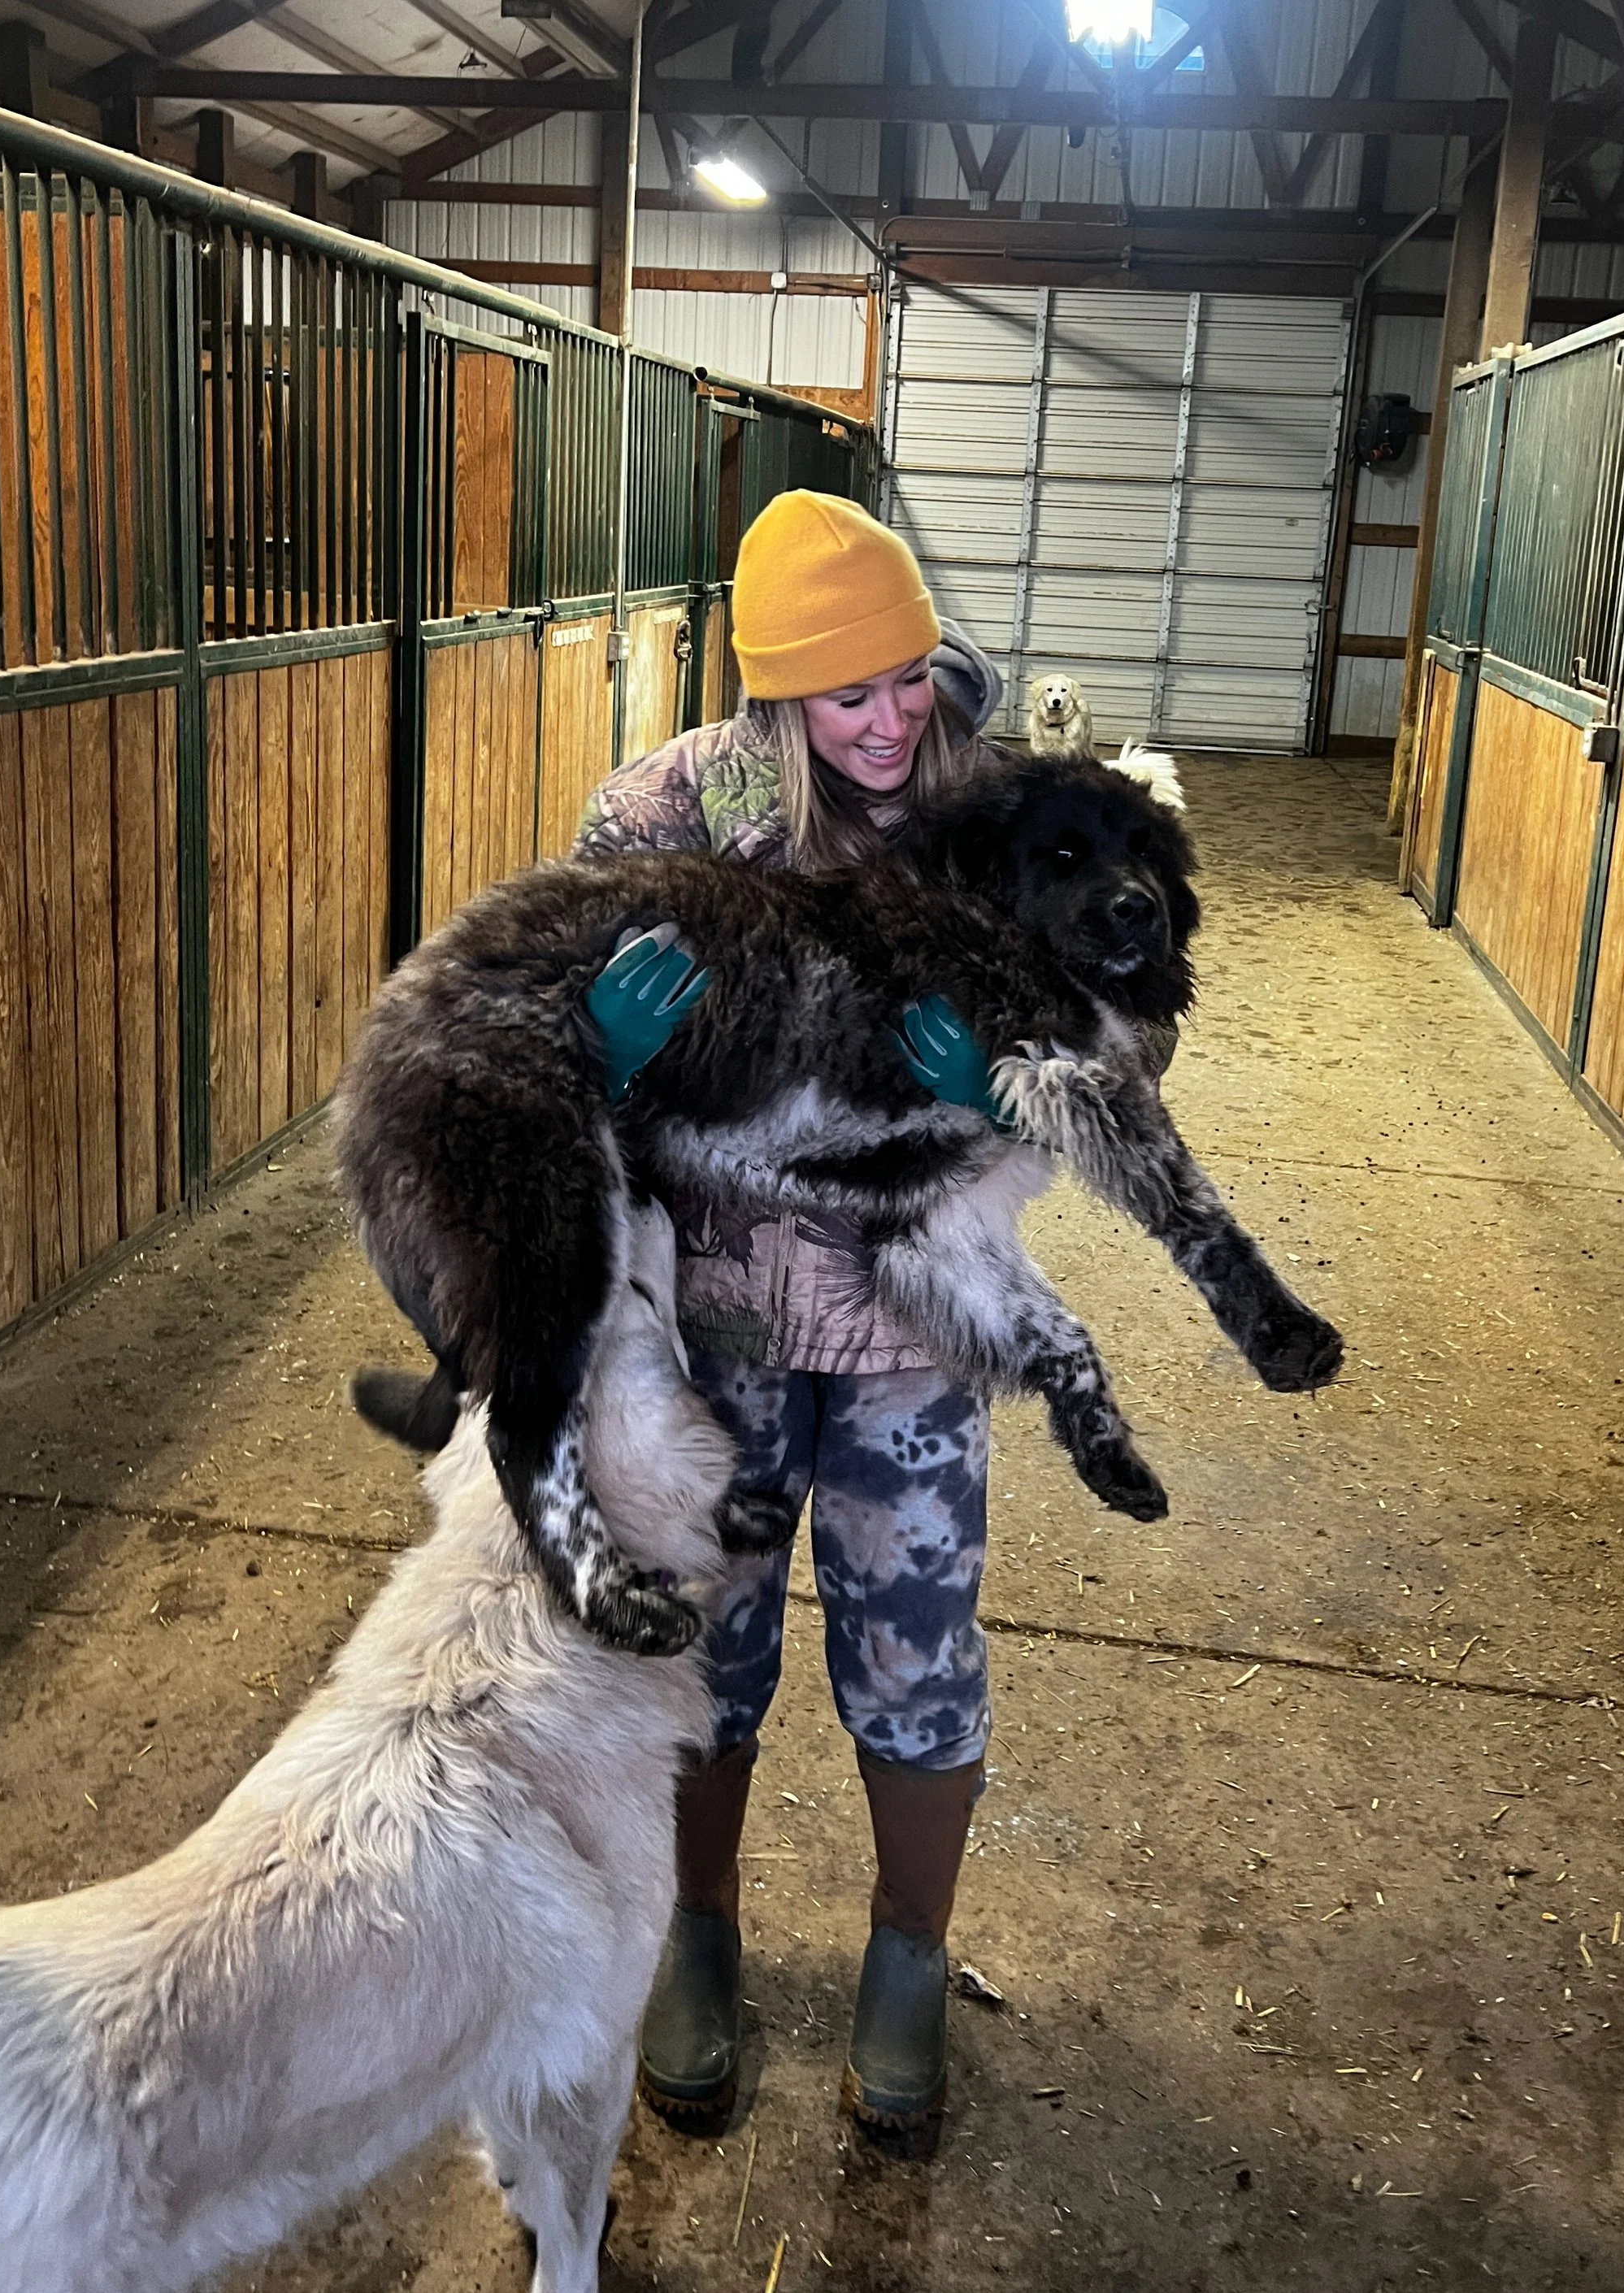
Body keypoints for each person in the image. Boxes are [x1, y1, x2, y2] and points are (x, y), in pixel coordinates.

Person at [574, 489, 1009, 2143]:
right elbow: (525, 1039)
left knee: (914, 1657)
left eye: (908, 675)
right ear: (777, 697)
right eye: (851, 693)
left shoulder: (991, 817)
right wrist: (591, 1049)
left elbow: (1120, 1023)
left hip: (916, 1329)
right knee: (706, 1653)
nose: (893, 717)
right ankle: (698, 1926)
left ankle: (907, 1955)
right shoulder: (663, 817)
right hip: (724, 1332)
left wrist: (1024, 1081)